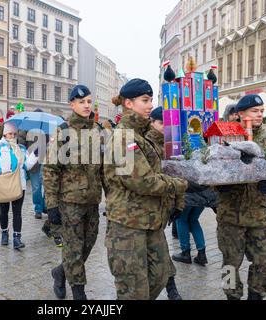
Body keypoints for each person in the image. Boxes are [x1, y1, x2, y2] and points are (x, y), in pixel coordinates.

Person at [103, 79, 198, 300]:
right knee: (134, 289)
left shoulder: (140, 135)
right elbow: (143, 181)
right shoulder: (123, 138)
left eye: (150, 100)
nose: (149, 105)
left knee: (160, 275)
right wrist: (184, 184)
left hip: (151, 222)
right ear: (128, 103)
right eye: (144, 100)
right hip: (127, 226)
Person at [215, 94, 266, 300]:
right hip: (230, 217)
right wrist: (220, 186)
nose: (260, 115)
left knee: (264, 262)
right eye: (255, 111)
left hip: (258, 217)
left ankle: (256, 295)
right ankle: (231, 295)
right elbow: (211, 170)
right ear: (240, 114)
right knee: (230, 265)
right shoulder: (226, 139)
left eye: (262, 111)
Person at [44, 85, 103, 300]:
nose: (86, 105)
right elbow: (50, 169)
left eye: (88, 101)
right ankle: (79, 293)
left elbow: (104, 167)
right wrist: (51, 205)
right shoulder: (64, 131)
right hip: (70, 202)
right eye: (81, 102)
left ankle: (60, 271)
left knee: (89, 243)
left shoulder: (97, 130)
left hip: (92, 201)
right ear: (72, 105)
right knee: (73, 247)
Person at [144, 106, 182, 300]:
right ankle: (170, 288)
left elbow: (178, 174)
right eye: (161, 123)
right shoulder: (146, 144)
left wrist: (179, 203)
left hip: (165, 207)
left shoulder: (172, 145)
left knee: (162, 251)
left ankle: (171, 286)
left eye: (168, 123)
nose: (165, 127)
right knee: (159, 253)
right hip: (148, 210)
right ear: (152, 122)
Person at [0, 123, 37, 249]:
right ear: (4, 134)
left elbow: (27, 165)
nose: (12, 136)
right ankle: (4, 233)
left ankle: (17, 238)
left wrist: (36, 154)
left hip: (19, 184)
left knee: (17, 212)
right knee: (4, 211)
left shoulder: (21, 148)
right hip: (3, 183)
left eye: (14, 134)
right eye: (10, 134)